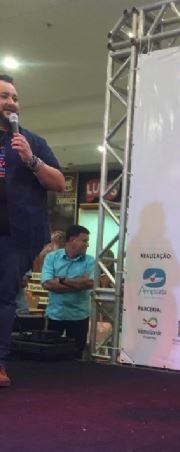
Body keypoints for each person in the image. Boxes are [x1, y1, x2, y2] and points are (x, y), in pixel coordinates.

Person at [0, 74, 65, 387]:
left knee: (3, 296)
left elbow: (59, 183)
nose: (11, 102)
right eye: (3, 96)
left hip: (15, 235)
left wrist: (31, 159)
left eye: (14, 97)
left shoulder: (33, 142)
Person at [41, 225, 95, 359]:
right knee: (50, 356)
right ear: (72, 240)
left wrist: (62, 280)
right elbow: (47, 283)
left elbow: (90, 283)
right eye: (84, 240)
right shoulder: (52, 258)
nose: (87, 245)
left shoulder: (90, 261)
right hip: (55, 315)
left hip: (79, 316)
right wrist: (78, 283)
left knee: (76, 357)